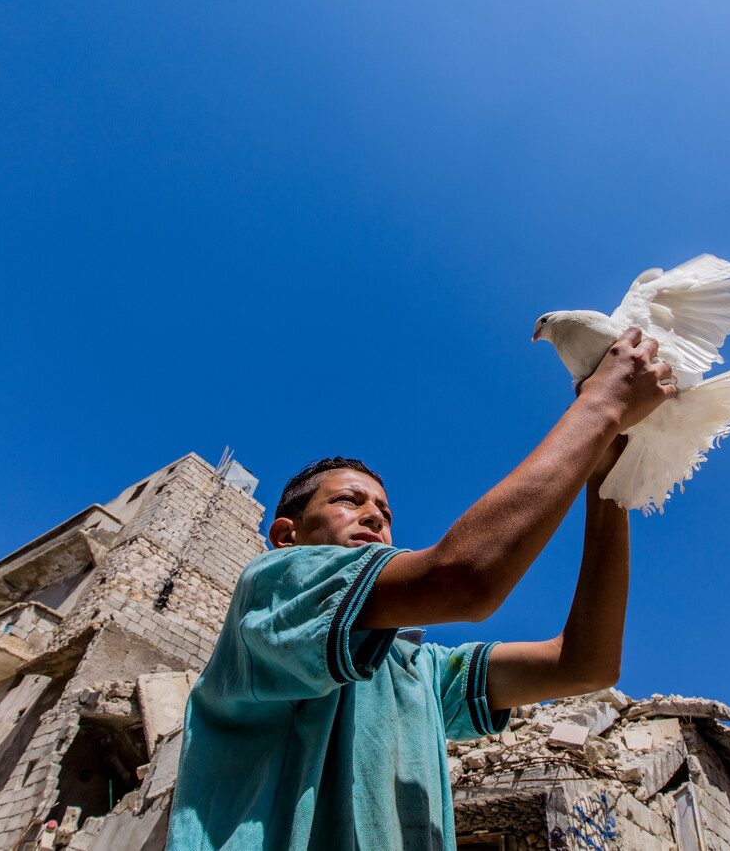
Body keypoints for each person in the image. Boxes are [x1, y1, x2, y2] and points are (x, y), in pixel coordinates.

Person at [168, 327, 676, 850]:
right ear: (285, 535)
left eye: (385, 512)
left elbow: (585, 665)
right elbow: (465, 579)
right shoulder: (271, 591)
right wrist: (601, 405)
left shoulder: (420, 671)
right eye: (349, 500)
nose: (374, 516)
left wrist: (608, 482)